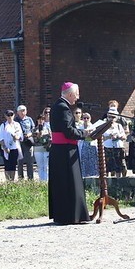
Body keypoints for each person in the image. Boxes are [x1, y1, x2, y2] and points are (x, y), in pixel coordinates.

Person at [49, 82, 94, 225]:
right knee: (69, 182)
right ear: (69, 94)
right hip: (65, 150)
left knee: (62, 182)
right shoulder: (63, 108)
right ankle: (72, 215)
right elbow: (68, 131)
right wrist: (84, 133)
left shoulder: (58, 105)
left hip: (59, 150)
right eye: (77, 93)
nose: (78, 96)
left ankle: (63, 215)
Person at [0, 109, 23, 181]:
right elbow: (1, 137)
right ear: (5, 116)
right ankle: (8, 181)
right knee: (7, 165)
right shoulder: (3, 125)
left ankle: (12, 180)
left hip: (14, 147)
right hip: (6, 148)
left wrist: (16, 137)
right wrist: (5, 147)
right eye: (8, 115)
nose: (10, 117)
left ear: (14, 115)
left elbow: (20, 135)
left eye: (11, 115)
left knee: (13, 165)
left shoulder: (17, 124)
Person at [102, 106, 127, 178]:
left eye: (113, 117)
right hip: (107, 147)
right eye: (110, 117)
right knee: (106, 166)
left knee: (119, 165)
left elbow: (124, 137)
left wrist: (118, 136)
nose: (111, 119)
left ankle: (119, 180)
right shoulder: (104, 126)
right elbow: (101, 137)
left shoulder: (119, 126)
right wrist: (109, 137)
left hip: (118, 147)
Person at [15, 105, 36, 181]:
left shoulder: (29, 119)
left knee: (30, 161)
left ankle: (30, 179)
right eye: (21, 110)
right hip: (19, 142)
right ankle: (21, 179)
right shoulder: (15, 120)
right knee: (20, 161)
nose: (23, 112)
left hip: (28, 142)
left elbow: (34, 129)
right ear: (18, 112)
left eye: (24, 110)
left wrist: (30, 134)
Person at [33, 110, 52, 181]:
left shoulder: (47, 128)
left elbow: (51, 137)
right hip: (38, 149)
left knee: (46, 166)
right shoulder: (35, 129)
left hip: (46, 148)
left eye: (43, 119)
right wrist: (39, 133)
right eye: (39, 119)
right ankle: (42, 180)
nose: (41, 121)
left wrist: (48, 134)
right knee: (40, 166)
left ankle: (47, 181)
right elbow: (35, 139)